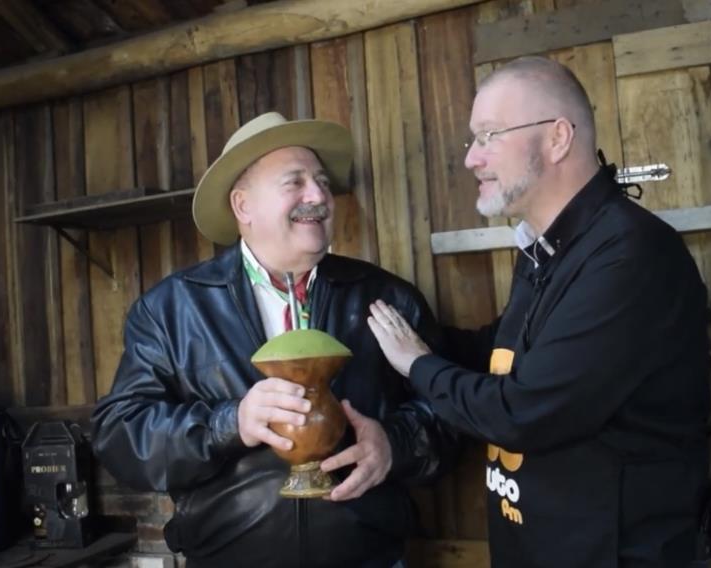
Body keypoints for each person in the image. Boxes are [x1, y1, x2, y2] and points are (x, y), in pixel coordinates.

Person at [368, 56, 711, 567]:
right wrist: (402, 335)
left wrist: (417, 365)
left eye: (488, 136)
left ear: (556, 138)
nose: (471, 160)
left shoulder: (630, 254)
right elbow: (509, 349)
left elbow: (523, 412)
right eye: (473, 139)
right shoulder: (547, 246)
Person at [91, 112, 455, 568]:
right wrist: (231, 423)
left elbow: (450, 414)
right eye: (295, 182)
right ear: (243, 206)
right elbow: (121, 436)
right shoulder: (171, 310)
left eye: (322, 182)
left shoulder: (389, 298)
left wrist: (394, 445)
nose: (319, 196)